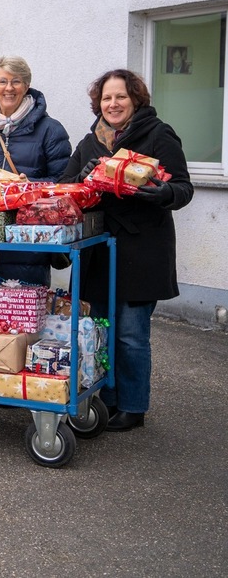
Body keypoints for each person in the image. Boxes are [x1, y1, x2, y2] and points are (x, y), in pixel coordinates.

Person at [60, 69, 192, 432]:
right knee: (99, 328)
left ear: (135, 99)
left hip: (142, 249)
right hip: (99, 251)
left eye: (120, 96)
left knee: (131, 334)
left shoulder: (158, 134)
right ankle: (106, 399)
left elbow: (182, 188)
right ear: (97, 103)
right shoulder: (91, 141)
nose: (113, 104)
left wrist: (164, 193)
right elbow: (66, 187)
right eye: (106, 98)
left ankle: (134, 407)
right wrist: (84, 177)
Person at [0, 55, 71, 285]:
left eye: (16, 81)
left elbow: (64, 183)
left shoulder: (50, 130)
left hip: (27, 247)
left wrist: (31, 186)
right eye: (3, 81)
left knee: (23, 313)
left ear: (27, 87)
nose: (9, 88)